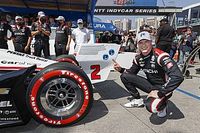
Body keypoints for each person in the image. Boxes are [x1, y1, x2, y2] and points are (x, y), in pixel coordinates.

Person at [113, 31, 184, 117]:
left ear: (151, 42)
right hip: (151, 86)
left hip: (164, 88)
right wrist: (121, 69)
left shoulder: (161, 56)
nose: (144, 45)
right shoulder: (138, 58)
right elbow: (130, 74)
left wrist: (160, 93)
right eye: (141, 43)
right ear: (137, 45)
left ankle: (163, 105)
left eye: (146, 42)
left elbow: (178, 77)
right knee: (124, 76)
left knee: (151, 107)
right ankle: (137, 100)